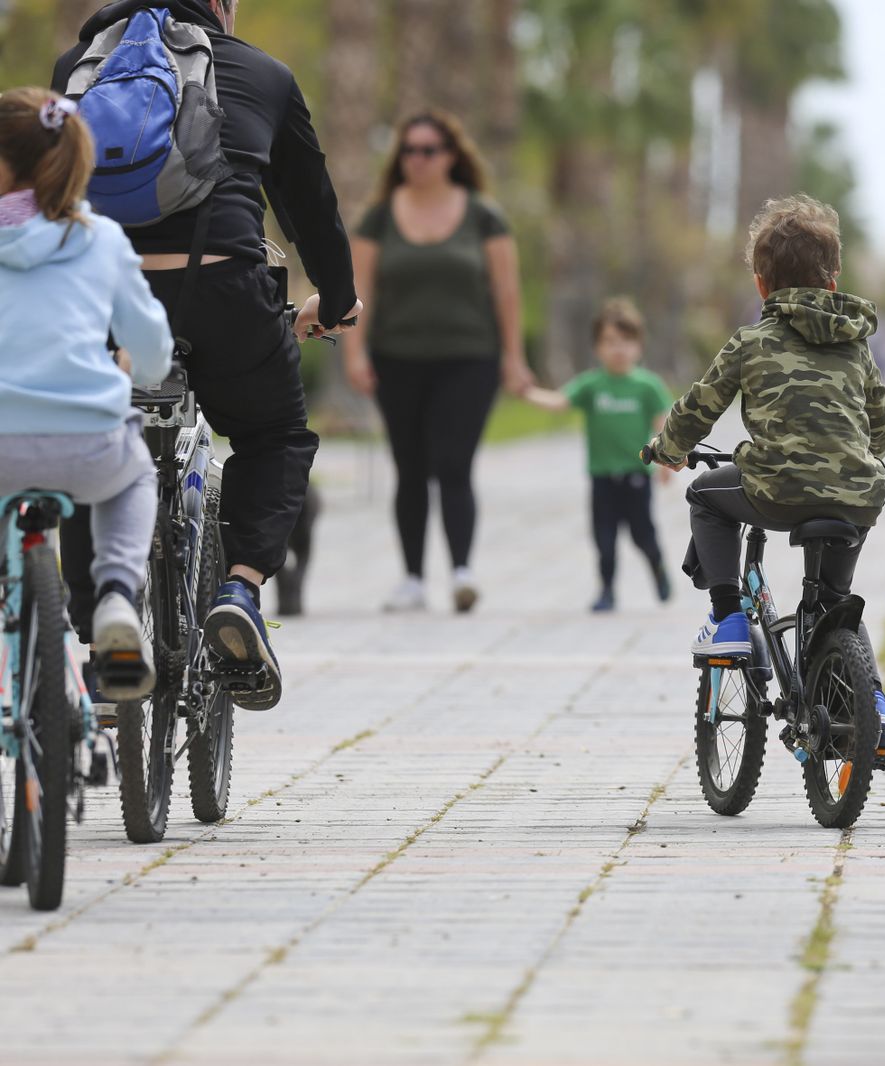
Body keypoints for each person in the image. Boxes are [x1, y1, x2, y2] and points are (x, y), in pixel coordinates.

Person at [52, 0, 361, 712]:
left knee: (83, 441)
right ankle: (240, 591)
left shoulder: (79, 67)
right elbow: (309, 206)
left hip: (99, 291)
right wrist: (338, 300)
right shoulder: (262, 72)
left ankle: (100, 636)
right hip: (221, 287)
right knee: (272, 434)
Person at [646, 194, 885, 753]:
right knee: (836, 602)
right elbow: (883, 418)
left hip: (776, 490)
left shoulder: (751, 341)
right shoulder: (856, 346)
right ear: (833, 282)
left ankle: (729, 617)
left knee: (706, 496)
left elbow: (697, 408)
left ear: (761, 284)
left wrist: (668, 449)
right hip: (856, 495)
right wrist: (857, 456)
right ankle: (871, 704)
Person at [0, 88, 171, 701]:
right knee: (135, 478)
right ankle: (118, 597)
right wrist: (136, 367)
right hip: (89, 445)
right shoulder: (100, 238)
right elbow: (150, 348)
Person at [343, 110, 533, 614]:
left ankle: (462, 571)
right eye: (408, 151)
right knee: (409, 467)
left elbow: (506, 291)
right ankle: (411, 579)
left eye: (427, 150)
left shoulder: (482, 214)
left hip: (470, 358)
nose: (416, 160)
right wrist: (355, 352)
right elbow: (359, 291)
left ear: (450, 156)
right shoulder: (379, 217)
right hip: (396, 358)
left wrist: (514, 358)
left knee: (453, 463)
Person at [521, 298, 675, 613]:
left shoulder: (647, 387)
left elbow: (663, 427)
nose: (619, 349)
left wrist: (666, 463)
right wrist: (525, 392)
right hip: (602, 478)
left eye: (626, 341)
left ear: (639, 346)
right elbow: (559, 402)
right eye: (610, 342)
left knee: (642, 535)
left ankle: (657, 567)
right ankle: (606, 590)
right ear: (597, 347)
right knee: (604, 540)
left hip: (635, 477)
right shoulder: (592, 385)